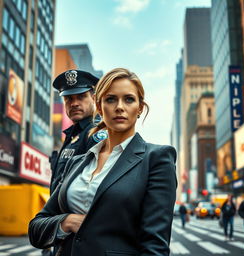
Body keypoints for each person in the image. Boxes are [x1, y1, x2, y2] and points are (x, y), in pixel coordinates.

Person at [29, 67, 177, 256]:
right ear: (99, 107)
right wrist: (67, 222)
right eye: (110, 99)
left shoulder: (157, 158)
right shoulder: (76, 163)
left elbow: (155, 247)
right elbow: (36, 227)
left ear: (140, 108)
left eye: (129, 99)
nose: (120, 107)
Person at [49, 69, 106, 194]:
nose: (74, 103)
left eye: (81, 97)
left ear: (94, 98)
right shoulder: (74, 134)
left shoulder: (96, 132)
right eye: (68, 98)